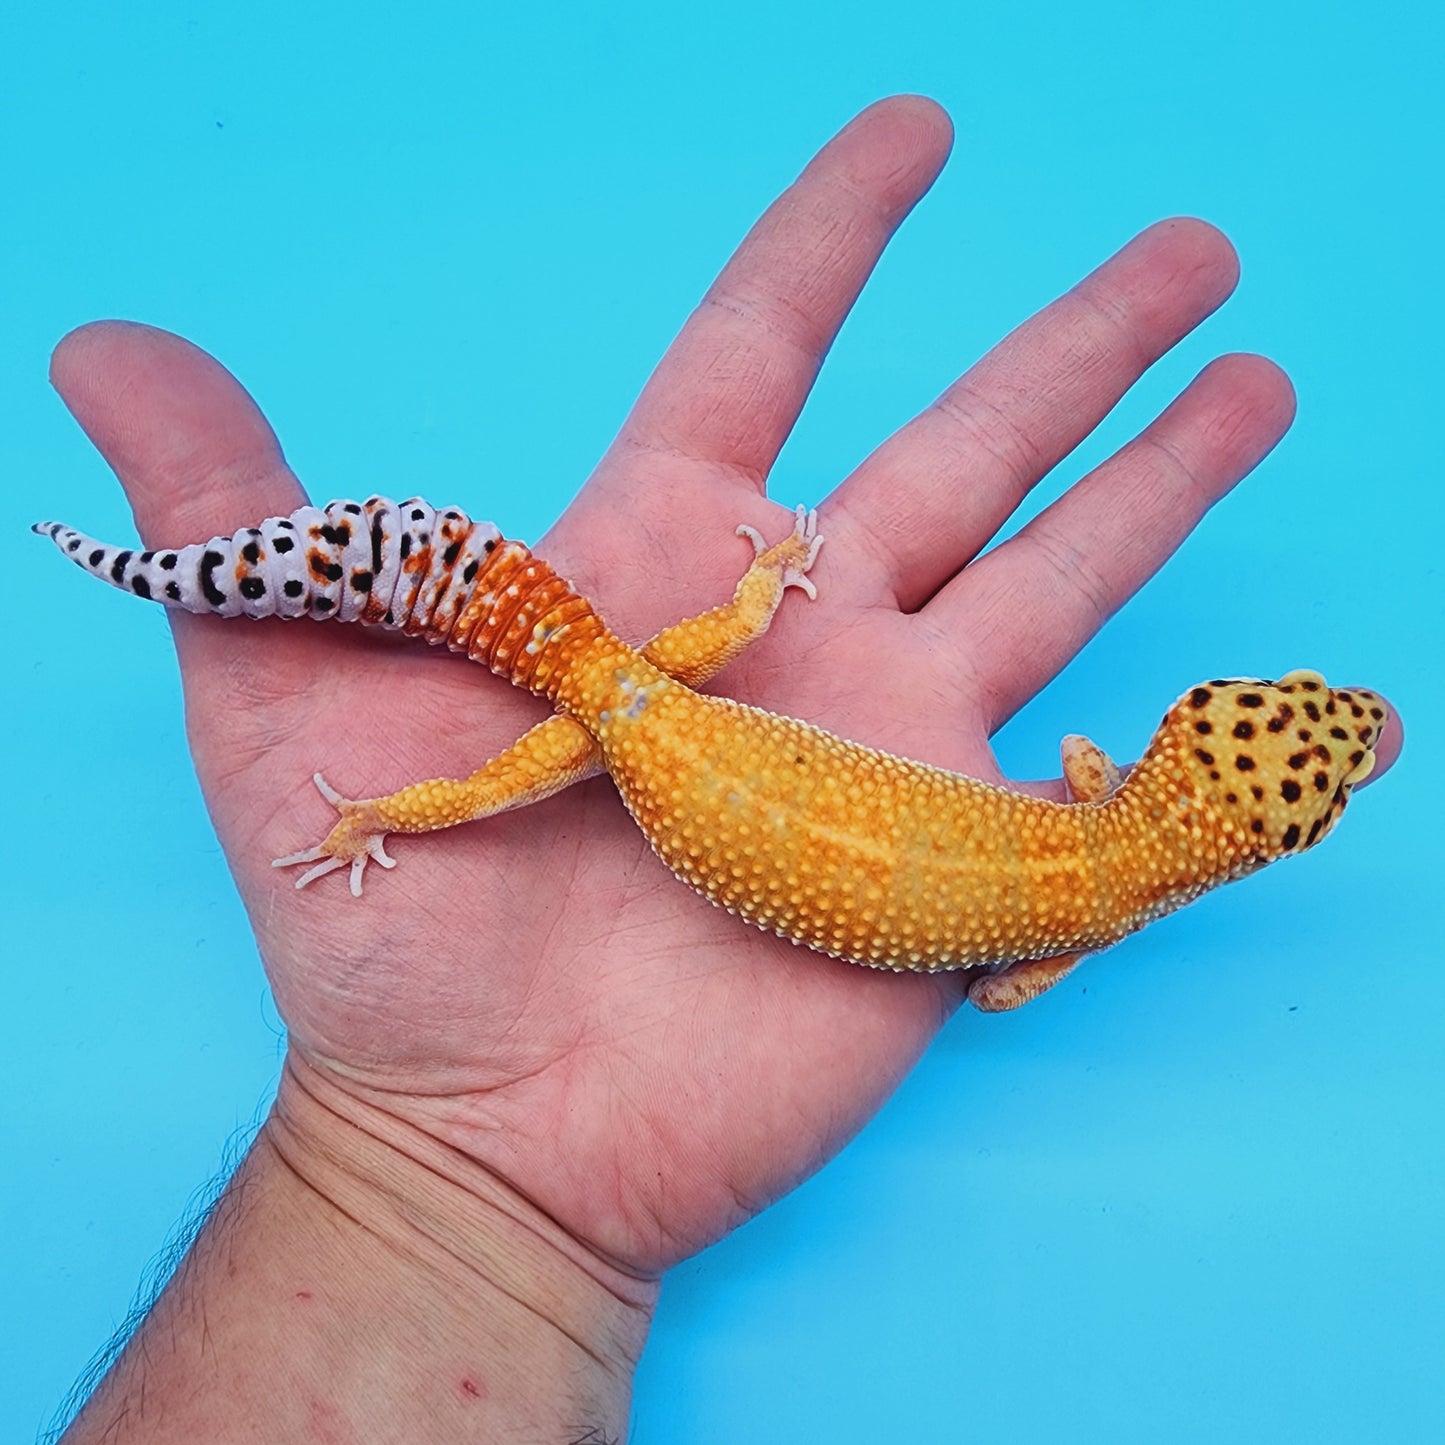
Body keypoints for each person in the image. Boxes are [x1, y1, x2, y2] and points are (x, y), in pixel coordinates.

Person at [50, 95, 1397, 1442]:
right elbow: (999, 989)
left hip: (651, 693)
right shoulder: (1085, 915)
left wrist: (769, 586)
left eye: (1297, 719)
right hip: (629, 718)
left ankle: (392, 782)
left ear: (1193, 729)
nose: (1327, 707)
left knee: (553, 732)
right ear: (1268, 835)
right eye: (1305, 710)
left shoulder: (1098, 803)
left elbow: (1083, 796)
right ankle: (373, 812)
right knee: (496, 785)